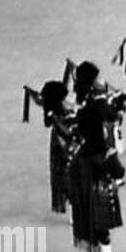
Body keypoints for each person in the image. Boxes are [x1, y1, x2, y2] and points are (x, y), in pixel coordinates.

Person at [70, 72, 126, 252]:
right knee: (102, 204)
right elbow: (113, 117)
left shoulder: (87, 109)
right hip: (100, 154)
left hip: (89, 157)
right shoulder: (99, 108)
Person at [37, 80, 78, 217]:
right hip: (66, 144)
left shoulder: (57, 111)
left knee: (63, 173)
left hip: (59, 143)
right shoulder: (62, 114)